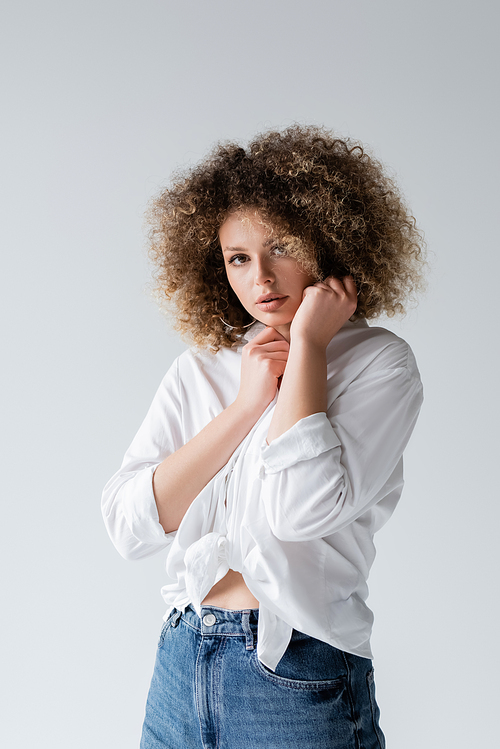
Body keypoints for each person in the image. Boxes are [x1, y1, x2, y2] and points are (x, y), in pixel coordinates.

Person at [102, 125, 425, 749]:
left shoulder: (380, 363)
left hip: (297, 672)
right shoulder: (201, 369)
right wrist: (248, 403)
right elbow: (127, 526)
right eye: (239, 258)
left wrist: (307, 345)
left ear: (329, 238)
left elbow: (300, 510)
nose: (262, 277)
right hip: (181, 664)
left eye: (281, 247)